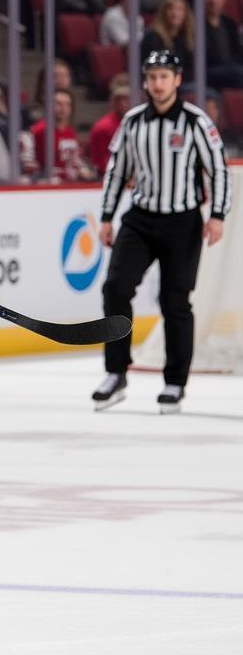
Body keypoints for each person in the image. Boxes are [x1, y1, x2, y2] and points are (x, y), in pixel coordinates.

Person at [92, 49, 230, 413]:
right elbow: (116, 170)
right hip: (140, 219)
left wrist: (217, 214)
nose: (157, 83)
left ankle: (174, 382)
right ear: (146, 81)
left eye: (164, 76)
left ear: (177, 79)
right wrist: (106, 216)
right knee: (115, 288)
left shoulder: (196, 121)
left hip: (183, 221)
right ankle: (116, 372)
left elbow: (218, 168)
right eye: (152, 76)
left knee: (175, 302)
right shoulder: (134, 121)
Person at [27, 88, 94, 182]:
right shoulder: (38, 131)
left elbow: (75, 160)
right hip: (48, 186)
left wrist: (83, 171)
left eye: (67, 105)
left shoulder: (70, 132)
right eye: (58, 104)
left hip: (70, 185)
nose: (63, 108)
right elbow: (30, 165)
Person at [141, 0, 195, 81]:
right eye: (171, 9)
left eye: (179, 10)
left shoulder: (186, 37)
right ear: (163, 13)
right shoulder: (153, 37)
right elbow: (157, 69)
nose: (175, 13)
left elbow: (191, 67)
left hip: (182, 81)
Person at [203, 0, 243, 89]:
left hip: (232, 70)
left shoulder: (230, 24)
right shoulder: (195, 24)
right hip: (208, 73)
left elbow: (238, 52)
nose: (213, 0)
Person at [88, 73, 131, 172]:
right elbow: (102, 165)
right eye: (118, 99)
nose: (123, 103)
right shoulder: (102, 128)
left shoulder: (140, 124)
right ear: (111, 100)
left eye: (126, 98)